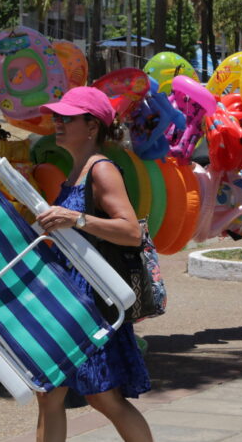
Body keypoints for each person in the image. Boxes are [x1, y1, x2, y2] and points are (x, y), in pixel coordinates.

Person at [34, 87, 153, 442]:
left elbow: (131, 231)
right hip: (70, 296)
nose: (57, 122)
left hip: (92, 300)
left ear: (92, 126)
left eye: (67, 118)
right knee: (48, 393)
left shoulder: (101, 170)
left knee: (103, 396)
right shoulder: (76, 170)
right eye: (57, 116)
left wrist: (76, 219)